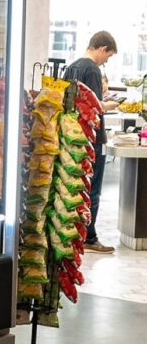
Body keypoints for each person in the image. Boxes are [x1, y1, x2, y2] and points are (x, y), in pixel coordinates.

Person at [63, 31, 121, 253]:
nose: (106, 61)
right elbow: (95, 107)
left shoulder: (73, 66)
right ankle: (89, 236)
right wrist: (109, 105)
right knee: (92, 189)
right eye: (108, 55)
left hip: (73, 138)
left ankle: (74, 233)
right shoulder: (93, 69)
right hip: (92, 140)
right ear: (101, 48)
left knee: (74, 188)